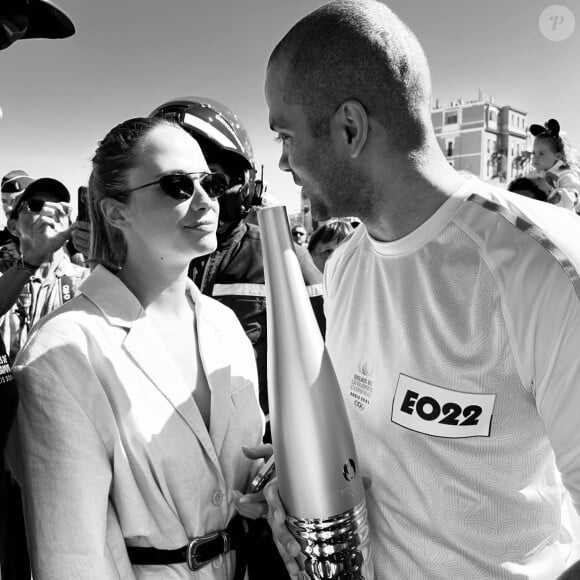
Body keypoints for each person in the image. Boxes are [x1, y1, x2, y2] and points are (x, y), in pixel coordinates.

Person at [262, 1, 580, 578]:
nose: (282, 161)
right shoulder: (345, 268)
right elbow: (372, 447)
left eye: (285, 135)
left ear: (349, 129)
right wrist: (297, 480)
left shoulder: (542, 265)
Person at [6, 116, 266, 579]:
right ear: (114, 211)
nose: (206, 200)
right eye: (177, 185)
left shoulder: (224, 326)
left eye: (213, 182)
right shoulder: (61, 352)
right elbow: (71, 559)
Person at [149, 97, 324, 429]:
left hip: (257, 463)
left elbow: (332, 372)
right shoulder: (131, 270)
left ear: (244, 185)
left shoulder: (282, 260)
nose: (196, 198)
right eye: (174, 184)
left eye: (212, 181)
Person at [0, 177, 89, 359]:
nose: (49, 212)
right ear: (13, 226)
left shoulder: (86, 280)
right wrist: (36, 255)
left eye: (61, 209)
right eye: (35, 205)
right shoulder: (4, 278)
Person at [526, 118, 580, 212]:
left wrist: (551, 193)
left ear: (557, 156)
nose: (535, 157)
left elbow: (573, 199)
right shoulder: (533, 175)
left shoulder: (565, 175)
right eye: (534, 153)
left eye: (541, 153)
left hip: (560, 223)